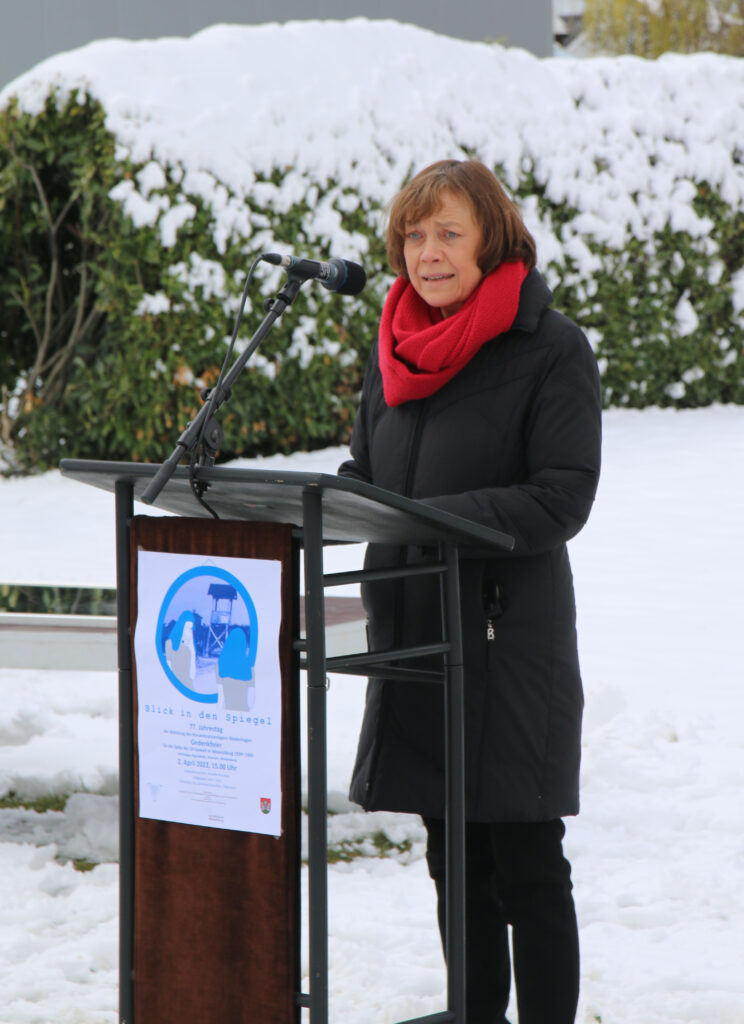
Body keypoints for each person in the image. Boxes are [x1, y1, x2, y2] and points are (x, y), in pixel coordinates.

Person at [338, 158, 602, 1024]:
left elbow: (562, 495)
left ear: (493, 237)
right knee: (451, 857)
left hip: (504, 640)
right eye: (413, 236)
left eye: (448, 232)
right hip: (416, 631)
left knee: (524, 859)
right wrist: (323, 501)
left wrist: (426, 514)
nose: (428, 252)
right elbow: (369, 475)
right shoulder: (390, 355)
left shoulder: (549, 348)